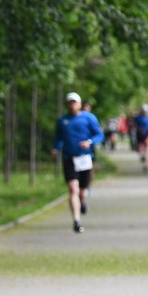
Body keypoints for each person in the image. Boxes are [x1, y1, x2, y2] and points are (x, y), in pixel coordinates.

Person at [52, 92, 104, 233]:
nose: (72, 105)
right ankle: (76, 220)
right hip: (69, 158)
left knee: (82, 191)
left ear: (80, 104)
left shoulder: (89, 118)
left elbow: (99, 135)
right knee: (73, 189)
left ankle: (83, 201)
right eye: (70, 102)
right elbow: (58, 138)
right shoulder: (62, 120)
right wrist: (56, 148)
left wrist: (90, 142)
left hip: (85, 158)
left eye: (74, 102)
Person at [133, 104, 148, 172]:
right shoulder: (138, 118)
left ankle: (146, 165)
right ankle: (142, 157)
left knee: (147, 149)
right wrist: (138, 129)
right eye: (143, 110)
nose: (144, 112)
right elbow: (134, 125)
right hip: (139, 135)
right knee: (140, 149)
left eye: (146, 110)